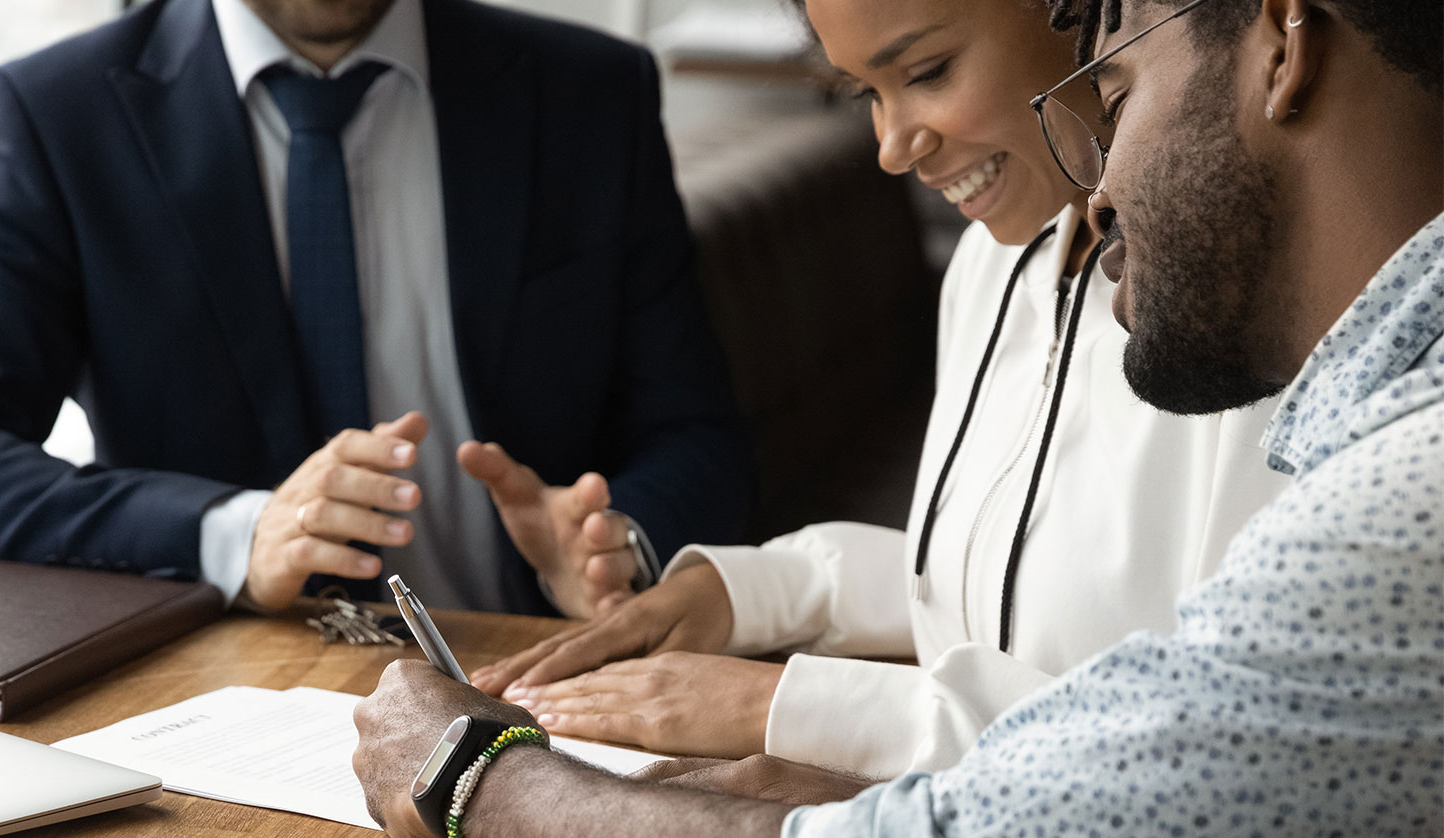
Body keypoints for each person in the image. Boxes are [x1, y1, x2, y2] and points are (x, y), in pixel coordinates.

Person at [354, 0, 1443, 833]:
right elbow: (997, 588)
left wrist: (786, 706)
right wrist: (749, 588)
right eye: (858, 94)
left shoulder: (1244, 328)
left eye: (1110, 83)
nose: (888, 144)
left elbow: (1143, 727)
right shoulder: (997, 270)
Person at [0, 0, 750, 616]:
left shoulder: (592, 95)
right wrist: (231, 535)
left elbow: (701, 437)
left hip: (533, 683)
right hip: (226, 706)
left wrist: (612, 545)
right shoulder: (61, 118)